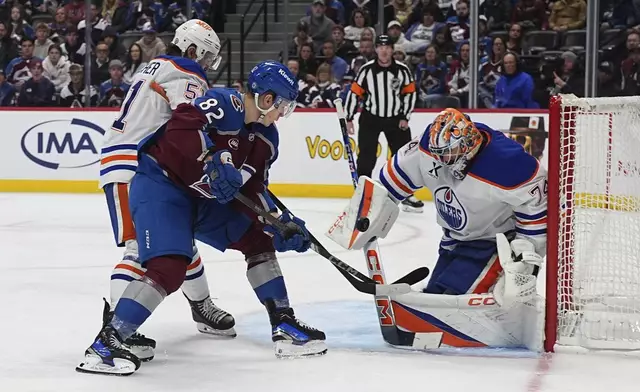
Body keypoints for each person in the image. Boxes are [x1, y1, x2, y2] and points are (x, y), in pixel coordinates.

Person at [77, 61, 326, 376]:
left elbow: (254, 191)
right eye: (283, 106)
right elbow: (182, 124)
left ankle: (284, 324)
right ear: (266, 99)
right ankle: (107, 343)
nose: (282, 114)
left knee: (258, 237)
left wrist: (279, 222)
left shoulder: (266, 140)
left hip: (201, 201)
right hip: (161, 186)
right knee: (169, 266)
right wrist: (213, 157)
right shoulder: (224, 102)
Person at [92, 19, 232, 364]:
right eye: (208, 57)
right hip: (134, 166)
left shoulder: (157, 65)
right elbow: (188, 117)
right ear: (193, 49)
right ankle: (116, 329)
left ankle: (201, 306)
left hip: (145, 163)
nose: (208, 65)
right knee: (139, 250)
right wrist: (213, 153)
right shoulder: (186, 69)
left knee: (177, 240)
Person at [331, 107, 546, 305]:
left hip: (494, 245)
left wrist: (525, 253)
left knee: (453, 306)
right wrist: (367, 210)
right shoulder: (429, 148)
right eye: (438, 153)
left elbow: (537, 207)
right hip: (453, 241)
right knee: (435, 299)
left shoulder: (508, 162)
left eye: (448, 153)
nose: (440, 160)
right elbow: (389, 185)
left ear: (467, 145)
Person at [344, 34, 423, 212]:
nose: (384, 50)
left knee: (403, 158)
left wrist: (405, 116)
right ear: (376, 49)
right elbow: (354, 93)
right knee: (366, 157)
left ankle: (407, 195)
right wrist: (349, 117)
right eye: (380, 47)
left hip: (396, 118)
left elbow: (410, 93)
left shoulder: (402, 70)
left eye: (387, 47)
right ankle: (363, 194)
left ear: (392, 50)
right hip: (371, 117)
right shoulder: (366, 70)